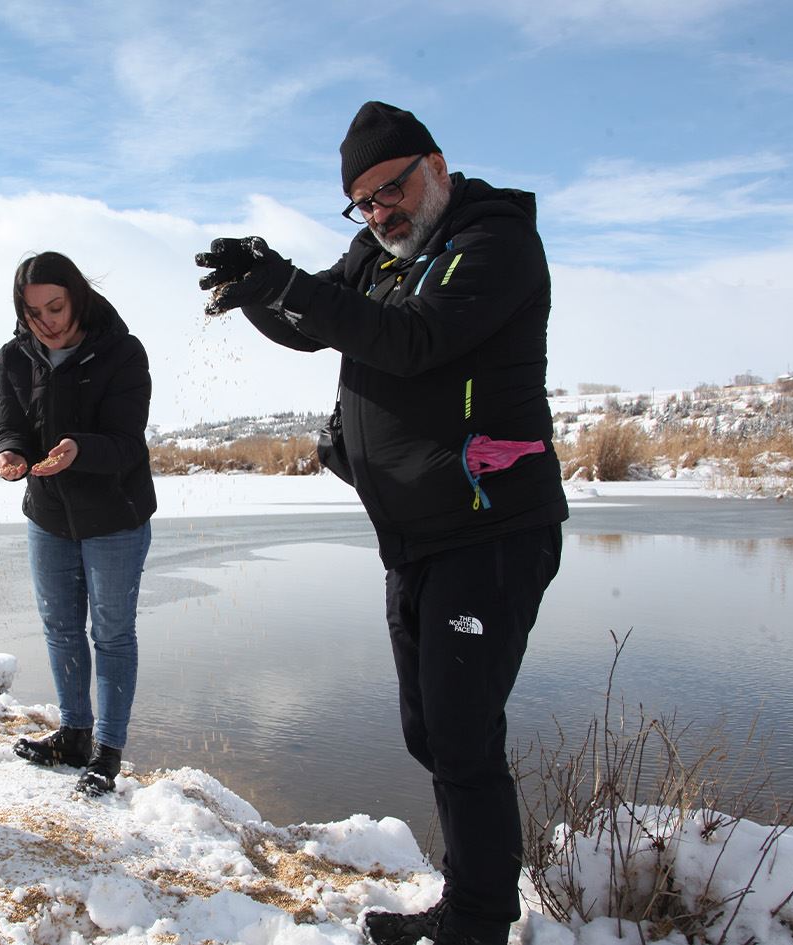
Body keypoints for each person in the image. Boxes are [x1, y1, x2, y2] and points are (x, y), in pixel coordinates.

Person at [195, 102, 567, 945]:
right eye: (361, 201)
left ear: (435, 163)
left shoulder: (495, 241)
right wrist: (259, 287)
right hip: (414, 533)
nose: (378, 212)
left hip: (492, 529)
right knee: (431, 730)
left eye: (389, 189)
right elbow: (313, 319)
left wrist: (287, 283)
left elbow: (410, 340)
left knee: (464, 732)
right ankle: (468, 899)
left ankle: (477, 922)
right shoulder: (379, 251)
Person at [0, 252, 156, 797]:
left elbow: (128, 446)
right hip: (48, 516)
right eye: (34, 311)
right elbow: (10, 427)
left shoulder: (122, 352)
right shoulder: (13, 357)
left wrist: (78, 450)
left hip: (115, 516)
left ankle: (107, 750)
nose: (48, 321)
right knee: (60, 629)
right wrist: (10, 455)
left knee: (110, 635)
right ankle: (73, 735)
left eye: (56, 306)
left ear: (77, 296)